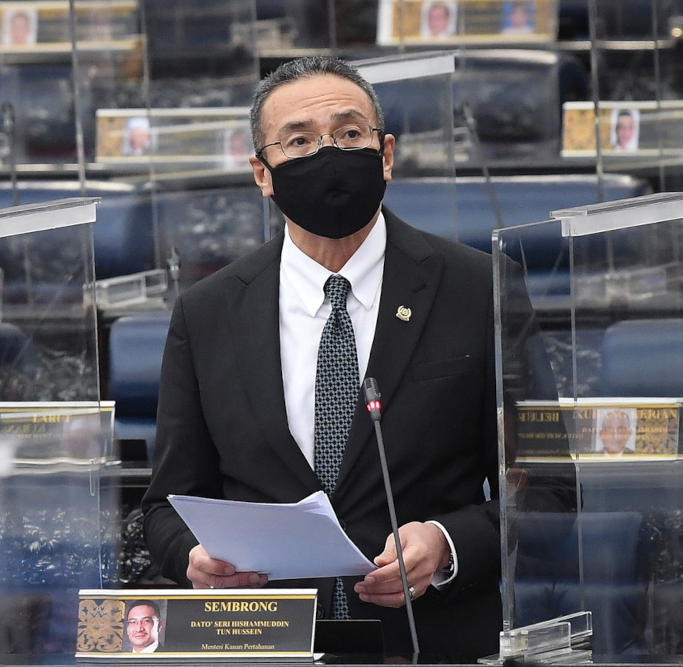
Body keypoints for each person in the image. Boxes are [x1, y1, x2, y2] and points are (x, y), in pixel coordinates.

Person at [142, 56, 504, 660]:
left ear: (385, 155)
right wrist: (193, 559)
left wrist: (445, 542)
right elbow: (164, 505)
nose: (328, 154)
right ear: (262, 172)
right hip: (264, 641)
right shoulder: (207, 313)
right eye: (300, 141)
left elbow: (545, 490)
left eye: (349, 133)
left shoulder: (480, 289)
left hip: (433, 642)